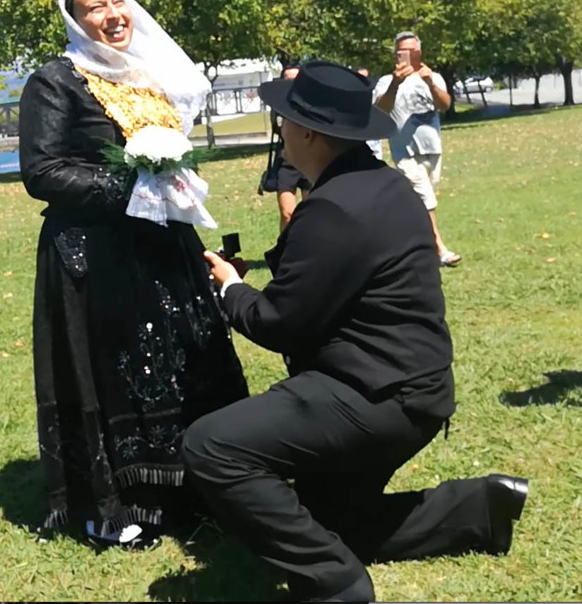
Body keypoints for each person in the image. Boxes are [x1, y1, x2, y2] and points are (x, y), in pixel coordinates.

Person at [182, 61, 528, 602]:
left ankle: (334, 584)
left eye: (284, 125)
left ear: (310, 133)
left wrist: (229, 289)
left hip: (374, 395)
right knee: (334, 524)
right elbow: (335, 275)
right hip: (418, 388)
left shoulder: (333, 209)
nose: (282, 136)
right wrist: (262, 275)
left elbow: (279, 325)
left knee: (211, 446)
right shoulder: (385, 185)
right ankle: (480, 508)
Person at [18, 0, 248, 548]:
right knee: (121, 371)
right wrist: (131, 180)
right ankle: (120, 504)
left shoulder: (149, 76)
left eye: (119, 2)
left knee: (183, 360)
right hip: (98, 257)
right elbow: (41, 172)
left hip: (166, 248)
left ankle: (198, 487)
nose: (113, 15)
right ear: (77, 20)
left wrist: (169, 184)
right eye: (96, 8)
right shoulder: (56, 81)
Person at [373, 32, 460, 267]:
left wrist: (430, 81)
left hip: (432, 148)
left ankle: (400, 245)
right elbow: (381, 109)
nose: (408, 56)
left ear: (419, 52)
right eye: (403, 51)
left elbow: (445, 105)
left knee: (418, 204)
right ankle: (440, 250)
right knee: (426, 198)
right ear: (396, 54)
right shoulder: (386, 81)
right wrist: (395, 83)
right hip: (404, 153)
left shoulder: (433, 76)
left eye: (412, 51)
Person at [270, 63, 313, 231]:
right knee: (287, 213)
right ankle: (283, 252)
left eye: (296, 79)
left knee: (312, 212)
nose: (292, 83)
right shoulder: (278, 104)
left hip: (310, 158)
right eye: (288, 79)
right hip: (287, 159)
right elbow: (277, 127)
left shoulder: (312, 104)